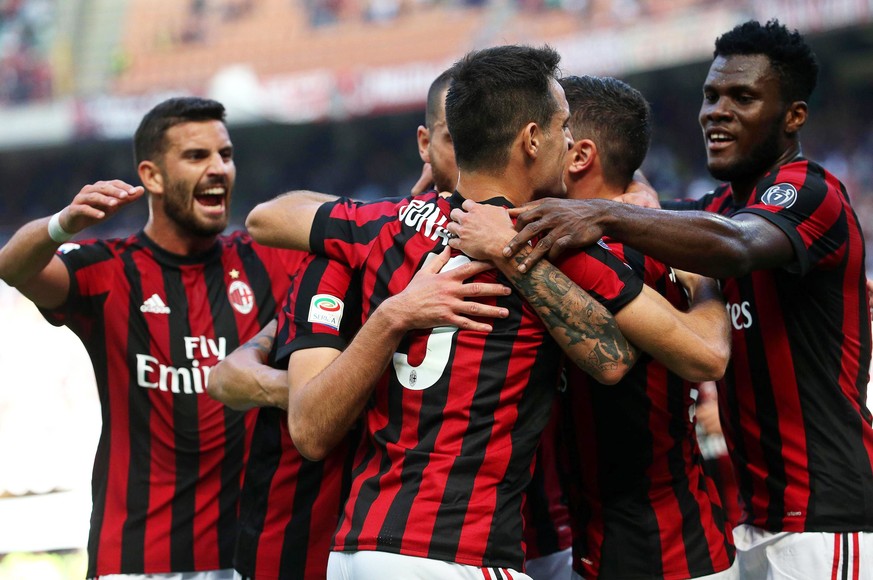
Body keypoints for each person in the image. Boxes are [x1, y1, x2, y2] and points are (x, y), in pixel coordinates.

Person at [246, 44, 730, 578]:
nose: (569, 140)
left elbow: (267, 218)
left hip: (358, 549)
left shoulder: (381, 226)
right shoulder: (555, 243)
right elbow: (644, 358)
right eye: (562, 125)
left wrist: (390, 298)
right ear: (531, 139)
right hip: (466, 551)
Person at [501, 20, 873, 578]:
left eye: (742, 97)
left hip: (825, 521)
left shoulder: (810, 191)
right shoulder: (714, 207)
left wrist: (605, 212)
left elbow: (738, 245)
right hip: (749, 519)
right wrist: (631, 196)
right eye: (711, 95)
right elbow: (626, 181)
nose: (716, 112)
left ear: (793, 116)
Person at [446, 73, 737, 579]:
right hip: (600, 549)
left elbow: (706, 354)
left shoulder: (618, 254)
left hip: (666, 558)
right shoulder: (644, 230)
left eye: (554, 131)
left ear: (578, 155)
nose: (535, 143)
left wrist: (706, 284)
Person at [0, 97, 302, 579]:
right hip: (136, 562)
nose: (218, 168)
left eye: (225, 154)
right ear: (153, 175)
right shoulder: (109, 269)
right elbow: (13, 267)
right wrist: (62, 225)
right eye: (196, 156)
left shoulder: (264, 261)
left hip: (244, 561)